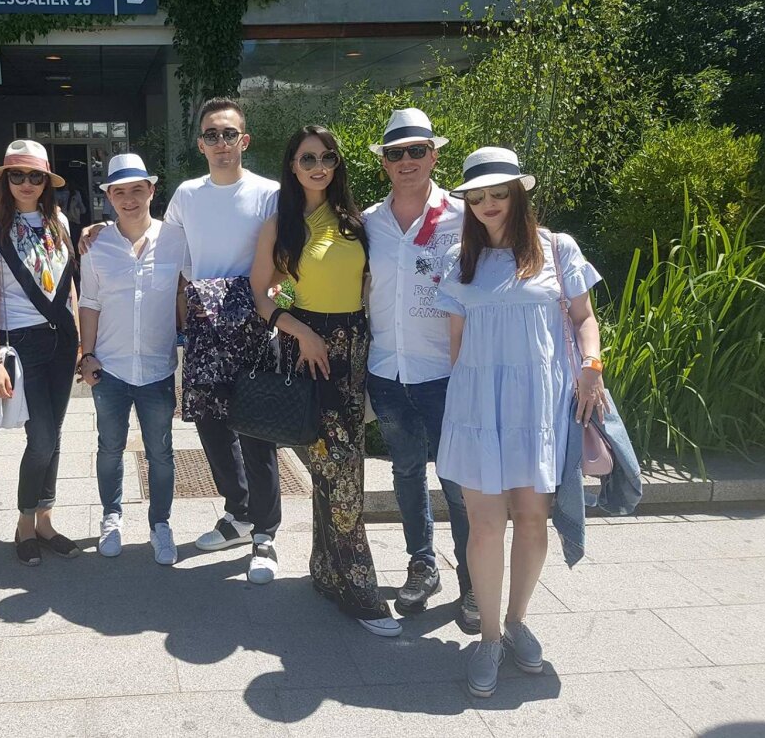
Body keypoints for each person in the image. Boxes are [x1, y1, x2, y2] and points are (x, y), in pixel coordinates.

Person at [82, 97, 282, 584]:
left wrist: (281, 298)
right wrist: (98, 231)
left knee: (257, 433)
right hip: (208, 329)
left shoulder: (272, 193)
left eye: (229, 134)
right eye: (211, 135)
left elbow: (291, 252)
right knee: (213, 429)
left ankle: (266, 536)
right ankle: (238, 515)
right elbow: (155, 244)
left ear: (244, 140)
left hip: (256, 323)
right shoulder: (187, 197)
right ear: (200, 144)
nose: (221, 143)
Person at [434, 146, 606, 699]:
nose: (487, 204)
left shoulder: (558, 249)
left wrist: (592, 368)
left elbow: (584, 318)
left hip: (539, 407)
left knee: (533, 521)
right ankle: (487, 636)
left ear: (518, 194)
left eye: (498, 193)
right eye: (477, 196)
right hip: (478, 407)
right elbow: (455, 346)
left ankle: (516, 621)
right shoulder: (462, 262)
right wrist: (462, 408)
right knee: (485, 526)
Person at [250, 126, 401, 638]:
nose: (318, 166)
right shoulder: (281, 226)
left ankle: (324, 569)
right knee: (341, 468)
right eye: (307, 157)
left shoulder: (356, 224)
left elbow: (368, 285)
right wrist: (300, 329)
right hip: (310, 351)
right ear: (291, 165)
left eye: (327, 157)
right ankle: (359, 586)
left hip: (355, 346)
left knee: (335, 463)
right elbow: (266, 294)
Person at [362, 108, 476, 629]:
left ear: (433, 155)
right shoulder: (368, 222)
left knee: (457, 479)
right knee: (406, 470)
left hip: (447, 373)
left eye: (415, 151)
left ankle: (475, 582)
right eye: (395, 153)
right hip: (388, 372)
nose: (406, 161)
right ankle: (422, 564)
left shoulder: (463, 215)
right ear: (383, 163)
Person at [77, 154, 188, 565]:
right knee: (110, 447)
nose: (128, 199)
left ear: (151, 191)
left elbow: (186, 290)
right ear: (108, 196)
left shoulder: (176, 239)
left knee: (161, 451)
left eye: (136, 190)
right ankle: (111, 516)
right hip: (110, 368)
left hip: (158, 368)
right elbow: (88, 302)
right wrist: (86, 355)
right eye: (118, 191)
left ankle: (160, 523)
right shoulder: (95, 244)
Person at [0, 140, 81, 566]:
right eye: (16, 175)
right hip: (22, 342)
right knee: (40, 439)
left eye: (35, 176)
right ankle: (24, 522)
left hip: (62, 340)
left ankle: (46, 520)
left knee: (53, 437)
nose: (26, 183)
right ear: (4, 180)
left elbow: (69, 284)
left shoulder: (59, 222)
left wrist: (80, 343)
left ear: (46, 182)